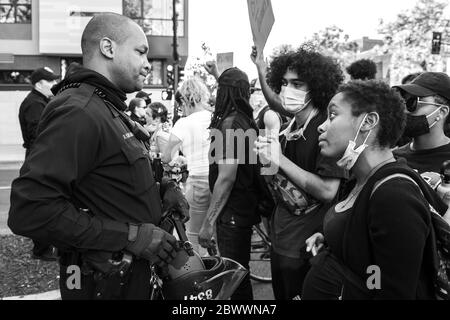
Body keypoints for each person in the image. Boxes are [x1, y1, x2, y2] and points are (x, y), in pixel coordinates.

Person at [8, 13, 189, 300]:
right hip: (101, 284)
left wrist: (163, 187)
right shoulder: (79, 110)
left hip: (133, 281)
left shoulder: (109, 107)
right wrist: (130, 236)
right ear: (108, 48)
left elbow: (111, 180)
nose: (146, 65)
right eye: (141, 52)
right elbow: (30, 211)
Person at [302, 80, 442, 299]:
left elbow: (388, 290)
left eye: (332, 115)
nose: (321, 126)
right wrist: (333, 241)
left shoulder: (394, 196)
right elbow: (368, 253)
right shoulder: (360, 178)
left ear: (368, 121)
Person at [252, 45, 346, 300]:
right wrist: (261, 68)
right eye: (283, 82)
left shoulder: (325, 129)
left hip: (308, 243)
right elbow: (275, 100)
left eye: (297, 84)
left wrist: (279, 159)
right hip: (283, 236)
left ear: (316, 87)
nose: (287, 90)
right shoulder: (293, 122)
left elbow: (328, 191)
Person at [198, 67, 261, 300]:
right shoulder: (244, 120)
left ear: (223, 93)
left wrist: (208, 222)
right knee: (238, 277)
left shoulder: (230, 123)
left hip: (232, 213)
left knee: (234, 281)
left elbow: (227, 177)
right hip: (242, 209)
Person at [162, 77, 212, 257]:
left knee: (192, 234)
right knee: (213, 230)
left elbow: (167, 157)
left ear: (184, 100)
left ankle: (201, 275)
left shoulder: (183, 123)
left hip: (197, 182)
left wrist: (178, 159)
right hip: (218, 180)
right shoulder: (213, 117)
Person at [18, 66, 59, 261]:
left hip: (38, 156)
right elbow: (38, 134)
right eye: (50, 81)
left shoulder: (40, 101)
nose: (53, 84)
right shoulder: (35, 104)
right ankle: (41, 250)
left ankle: (44, 247)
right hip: (38, 157)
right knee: (41, 202)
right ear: (39, 84)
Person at [393, 72, 450, 174]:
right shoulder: (393, 159)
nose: (405, 110)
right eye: (403, 101)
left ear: (442, 112)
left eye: (413, 102)